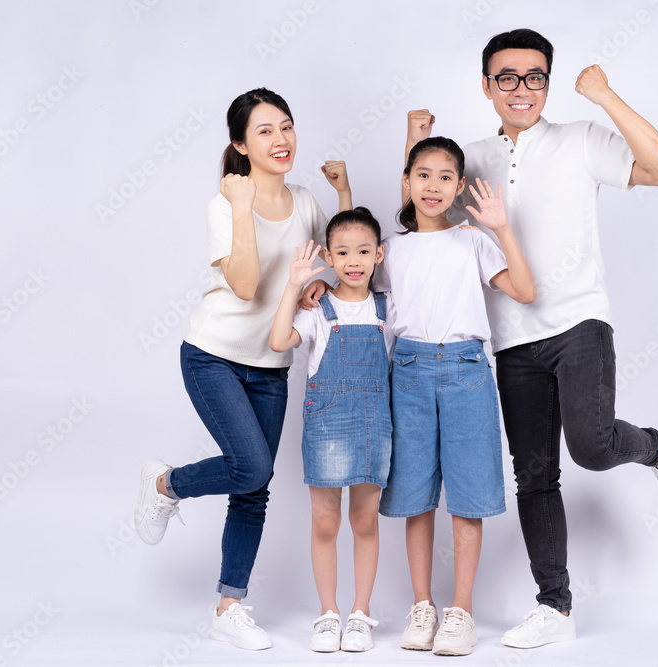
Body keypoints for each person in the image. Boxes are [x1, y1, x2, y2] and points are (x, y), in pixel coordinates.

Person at [403, 28, 658, 649]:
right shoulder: (472, 158)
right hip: (509, 341)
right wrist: (413, 141)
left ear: (548, 84)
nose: (521, 88)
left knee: (591, 445)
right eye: (506, 77)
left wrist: (606, 96)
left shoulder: (581, 140)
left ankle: (655, 449)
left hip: (578, 322)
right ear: (486, 86)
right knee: (535, 475)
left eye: (534, 76)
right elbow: (420, 220)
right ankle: (555, 607)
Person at [132, 87, 352, 651]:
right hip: (212, 354)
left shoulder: (305, 202)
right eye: (265, 131)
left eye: (287, 126)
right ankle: (166, 484)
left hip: (270, 364)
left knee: (253, 489)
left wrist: (315, 284)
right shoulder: (222, 206)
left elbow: (332, 262)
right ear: (240, 144)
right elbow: (248, 284)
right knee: (250, 466)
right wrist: (239, 204)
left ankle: (229, 606)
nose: (281, 140)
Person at [377, 136, 535, 657]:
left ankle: (461, 611)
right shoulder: (391, 248)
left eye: (446, 177)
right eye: (422, 174)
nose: (433, 185)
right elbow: (351, 275)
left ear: (460, 187)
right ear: (407, 181)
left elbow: (525, 290)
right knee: (415, 496)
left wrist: (501, 226)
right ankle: (423, 605)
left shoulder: (472, 240)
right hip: (410, 370)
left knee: (467, 495)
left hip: (466, 369)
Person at [269, 207, 394, 653]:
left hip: (376, 424)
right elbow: (279, 341)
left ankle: (360, 613)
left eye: (363, 250)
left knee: (364, 521)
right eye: (342, 252)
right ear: (328, 256)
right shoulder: (318, 307)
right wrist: (294, 285)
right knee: (325, 523)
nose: (354, 260)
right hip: (326, 425)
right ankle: (328, 614)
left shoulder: (388, 308)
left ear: (379, 254)